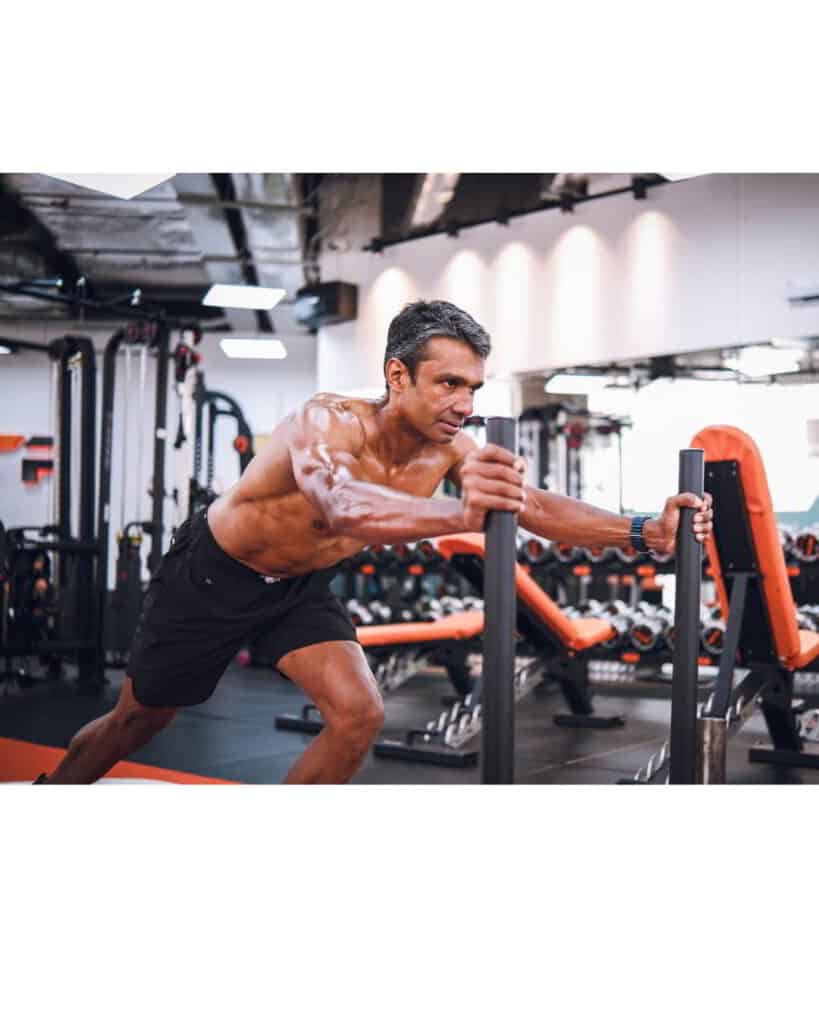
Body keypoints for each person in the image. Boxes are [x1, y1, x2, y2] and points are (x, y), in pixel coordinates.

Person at [37, 300, 713, 784]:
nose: (463, 403)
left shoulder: (450, 448)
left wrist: (640, 530)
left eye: (472, 387)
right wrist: (461, 513)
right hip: (213, 577)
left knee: (358, 714)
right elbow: (341, 504)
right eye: (448, 384)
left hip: (297, 590)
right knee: (139, 722)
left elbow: (530, 506)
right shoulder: (327, 422)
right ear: (397, 376)